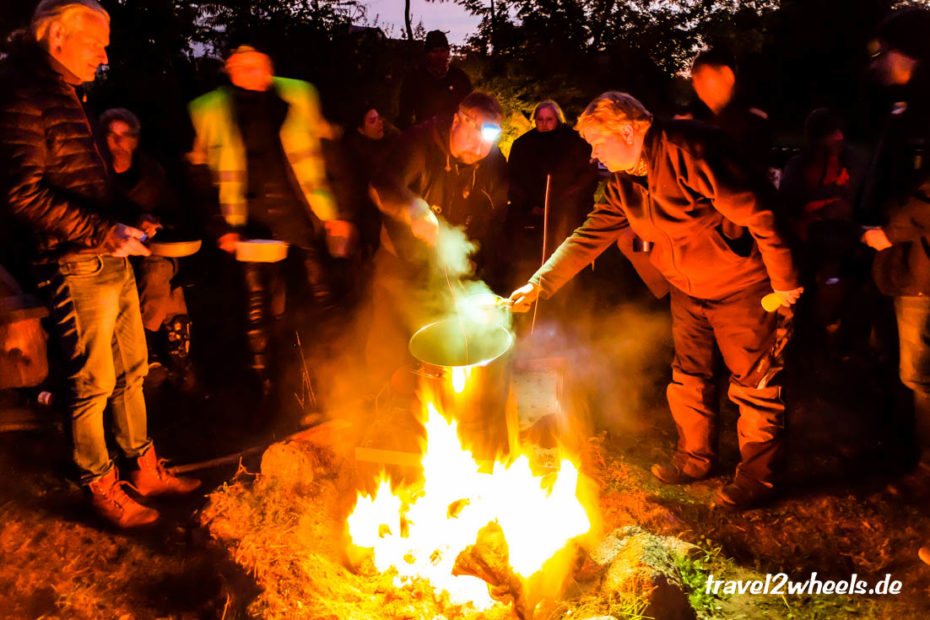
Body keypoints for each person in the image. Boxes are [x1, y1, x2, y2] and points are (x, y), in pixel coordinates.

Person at [509, 92, 802, 510]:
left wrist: (785, 282)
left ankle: (758, 477)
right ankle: (695, 459)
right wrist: (539, 284)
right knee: (689, 375)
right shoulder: (623, 181)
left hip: (742, 285)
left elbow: (759, 212)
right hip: (687, 289)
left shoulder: (690, 153)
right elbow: (589, 235)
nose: (592, 153)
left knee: (755, 383)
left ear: (628, 131)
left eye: (598, 142)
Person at [0, 0, 199, 529]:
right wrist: (100, 229)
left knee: (133, 370)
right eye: (96, 43)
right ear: (58, 37)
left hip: (108, 255)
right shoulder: (23, 92)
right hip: (73, 263)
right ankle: (100, 484)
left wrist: (133, 215)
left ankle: (144, 467)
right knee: (91, 383)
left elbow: (85, 183)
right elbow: (21, 193)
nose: (105, 53)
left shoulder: (67, 93)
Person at [187, 45, 355, 398]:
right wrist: (219, 226)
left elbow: (332, 153)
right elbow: (198, 176)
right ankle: (265, 388)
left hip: (302, 215)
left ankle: (339, 378)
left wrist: (341, 213)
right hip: (247, 224)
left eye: (261, 65)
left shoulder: (299, 95)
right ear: (229, 70)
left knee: (323, 298)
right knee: (255, 309)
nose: (255, 74)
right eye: (244, 67)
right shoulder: (208, 110)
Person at [367, 91, 508, 384]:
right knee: (389, 340)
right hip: (402, 260)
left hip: (452, 267)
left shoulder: (493, 161)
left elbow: (496, 217)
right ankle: (376, 400)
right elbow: (383, 184)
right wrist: (413, 208)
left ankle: (437, 399)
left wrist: (484, 273)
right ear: (457, 120)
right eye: (474, 136)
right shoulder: (419, 142)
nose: (480, 148)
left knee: (448, 341)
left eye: (488, 142)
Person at [857, 8, 930, 519]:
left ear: (907, 52)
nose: (876, 63)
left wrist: (892, 229)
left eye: (882, 52)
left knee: (923, 374)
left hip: (923, 263)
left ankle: (927, 470)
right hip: (909, 262)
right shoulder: (908, 105)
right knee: (911, 373)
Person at [99, 107, 194, 388]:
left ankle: (173, 358)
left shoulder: (151, 172)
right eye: (111, 135)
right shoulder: (94, 172)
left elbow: (173, 211)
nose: (118, 142)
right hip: (108, 250)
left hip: (151, 249)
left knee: (162, 269)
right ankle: (150, 350)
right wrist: (131, 221)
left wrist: (158, 222)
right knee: (160, 279)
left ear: (135, 140)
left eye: (125, 135)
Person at [780, 108, 868, 349]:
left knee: (834, 286)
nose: (836, 138)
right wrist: (831, 197)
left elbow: (861, 199)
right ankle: (807, 337)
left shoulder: (854, 162)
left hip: (842, 241)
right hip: (808, 240)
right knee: (808, 289)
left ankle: (827, 334)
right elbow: (790, 200)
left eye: (837, 133)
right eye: (829, 134)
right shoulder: (801, 164)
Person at [506, 100, 599, 289]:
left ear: (558, 119)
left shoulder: (575, 142)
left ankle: (571, 289)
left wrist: (564, 202)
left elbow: (587, 176)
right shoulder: (523, 145)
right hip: (532, 210)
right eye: (540, 119)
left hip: (567, 210)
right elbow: (513, 178)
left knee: (564, 252)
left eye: (549, 119)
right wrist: (529, 204)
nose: (544, 123)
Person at [397, 30, 472, 130]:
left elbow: (471, 106)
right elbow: (405, 114)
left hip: (455, 134)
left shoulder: (459, 77)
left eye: (442, 50)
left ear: (448, 52)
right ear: (428, 54)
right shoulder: (415, 78)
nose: (440, 55)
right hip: (425, 136)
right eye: (435, 51)